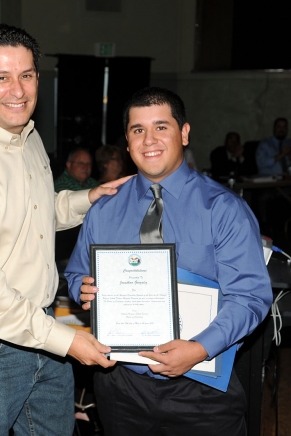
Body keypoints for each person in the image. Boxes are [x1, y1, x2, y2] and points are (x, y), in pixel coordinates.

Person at [0, 24, 128, 436]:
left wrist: (89, 199)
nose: (19, 90)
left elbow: (35, 212)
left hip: (41, 326)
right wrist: (67, 341)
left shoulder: (25, 135)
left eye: (27, 75)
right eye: (2, 77)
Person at [65, 86, 272, 436]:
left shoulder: (223, 210)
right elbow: (75, 273)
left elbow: (251, 297)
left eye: (161, 127)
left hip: (202, 386)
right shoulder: (103, 209)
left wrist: (199, 349)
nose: (149, 140)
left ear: (185, 133)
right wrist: (81, 288)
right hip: (121, 384)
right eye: (138, 130)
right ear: (127, 142)